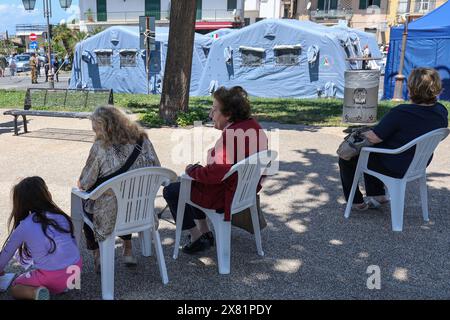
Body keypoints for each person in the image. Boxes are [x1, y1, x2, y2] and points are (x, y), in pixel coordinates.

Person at [163, 86, 268, 254]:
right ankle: (205, 232)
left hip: (225, 195)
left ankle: (197, 236)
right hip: (244, 192)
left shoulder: (231, 135)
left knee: (172, 190)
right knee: (192, 183)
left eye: (214, 109)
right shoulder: (254, 126)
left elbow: (214, 175)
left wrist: (192, 170)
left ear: (228, 114)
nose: (211, 113)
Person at [339, 67, 448, 211]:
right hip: (419, 163)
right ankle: (378, 195)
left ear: (412, 89)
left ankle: (355, 201)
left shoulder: (401, 112)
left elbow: (374, 137)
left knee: (349, 156)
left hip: (396, 165)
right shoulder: (441, 111)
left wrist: (361, 133)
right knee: (373, 151)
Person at [77, 106, 160, 273]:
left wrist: (80, 183)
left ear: (102, 127)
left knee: (84, 200)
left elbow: (85, 183)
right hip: (140, 210)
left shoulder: (100, 146)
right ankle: (128, 249)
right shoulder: (143, 141)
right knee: (126, 195)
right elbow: (157, 167)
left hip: (111, 215)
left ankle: (98, 255)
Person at [0, 177, 82, 300]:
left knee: (16, 286)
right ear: (45, 195)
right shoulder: (61, 216)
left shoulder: (25, 225)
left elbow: (6, 254)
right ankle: (64, 287)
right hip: (76, 270)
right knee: (58, 272)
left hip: (52, 277)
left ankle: (35, 293)